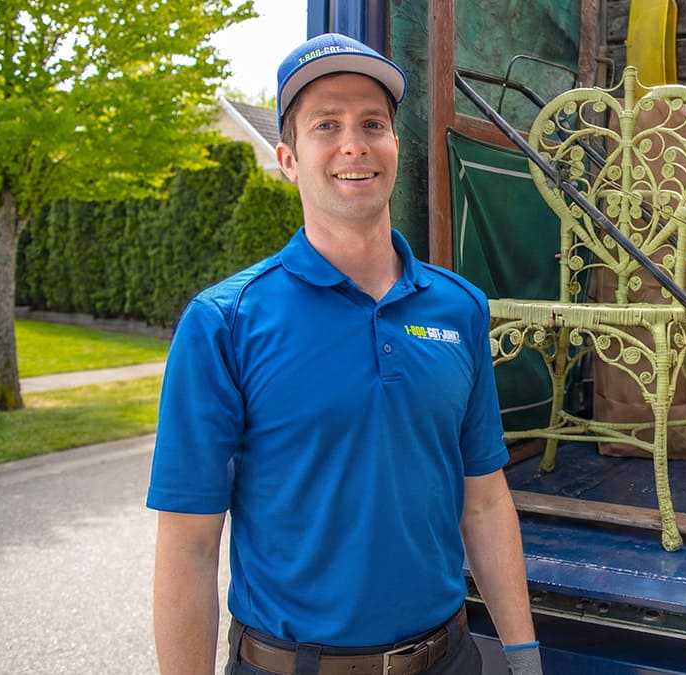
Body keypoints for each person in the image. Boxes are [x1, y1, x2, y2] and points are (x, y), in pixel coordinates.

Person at [148, 32, 542, 675]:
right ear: (287, 158)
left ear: (395, 145)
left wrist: (523, 657)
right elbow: (189, 546)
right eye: (325, 124)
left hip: (448, 659)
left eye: (373, 124)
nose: (353, 143)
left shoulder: (459, 307)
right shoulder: (225, 323)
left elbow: (485, 500)